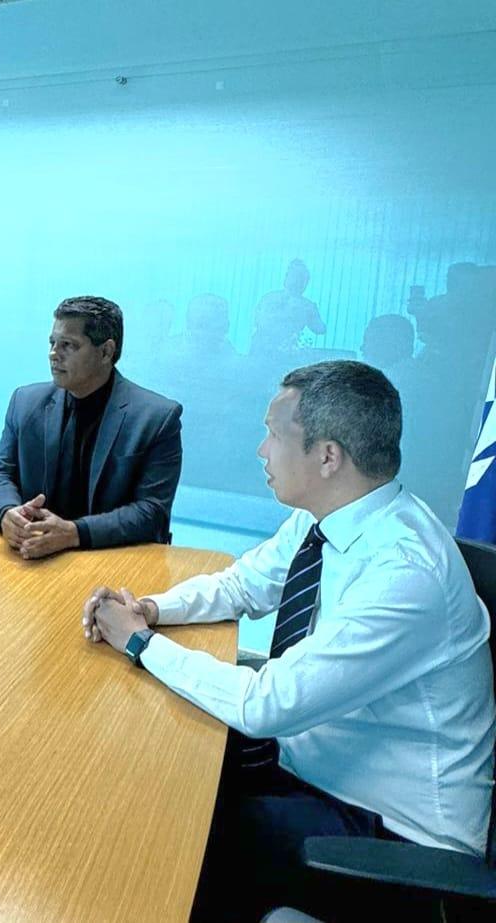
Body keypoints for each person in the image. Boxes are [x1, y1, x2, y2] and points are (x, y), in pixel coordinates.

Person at [82, 360, 495, 922]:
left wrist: (141, 644)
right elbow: (243, 584)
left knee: (176, 834)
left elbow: (267, 704)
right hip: (318, 765)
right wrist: (152, 609)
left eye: (274, 435)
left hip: (392, 838)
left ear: (327, 456)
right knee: (157, 769)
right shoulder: (332, 515)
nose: (261, 451)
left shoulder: (406, 573)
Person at [0, 295, 182, 559]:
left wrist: (74, 532)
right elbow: (0, 474)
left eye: (69, 345)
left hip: (113, 560)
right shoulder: (25, 402)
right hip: (36, 556)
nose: (54, 354)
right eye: (53, 342)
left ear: (106, 352)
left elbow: (151, 511)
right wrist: (7, 513)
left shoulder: (157, 418)